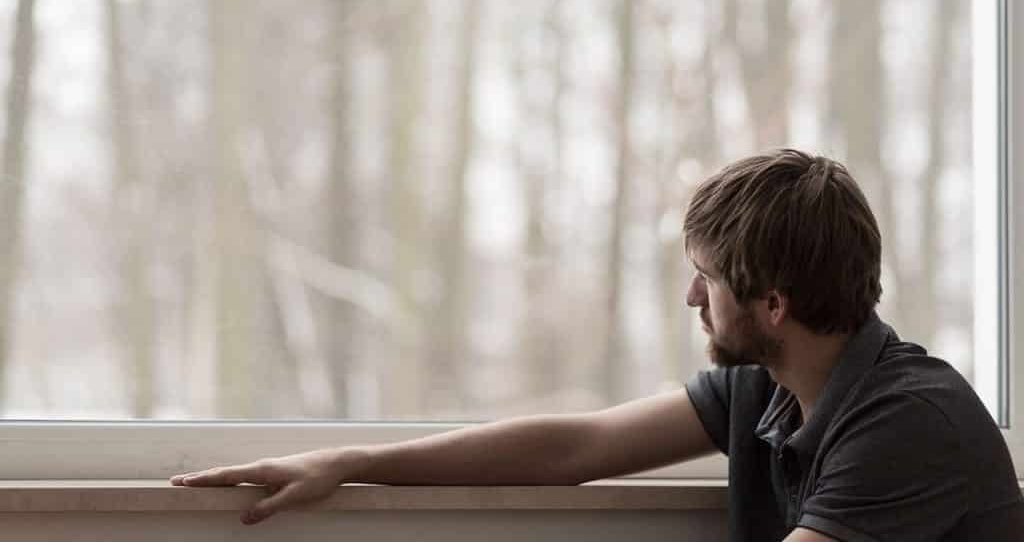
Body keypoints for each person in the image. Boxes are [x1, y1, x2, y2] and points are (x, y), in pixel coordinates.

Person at [171, 149, 1024, 541]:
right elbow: (577, 444)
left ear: (772, 302)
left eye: (708, 279)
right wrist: (351, 460)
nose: (692, 295)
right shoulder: (770, 387)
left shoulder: (909, 422)